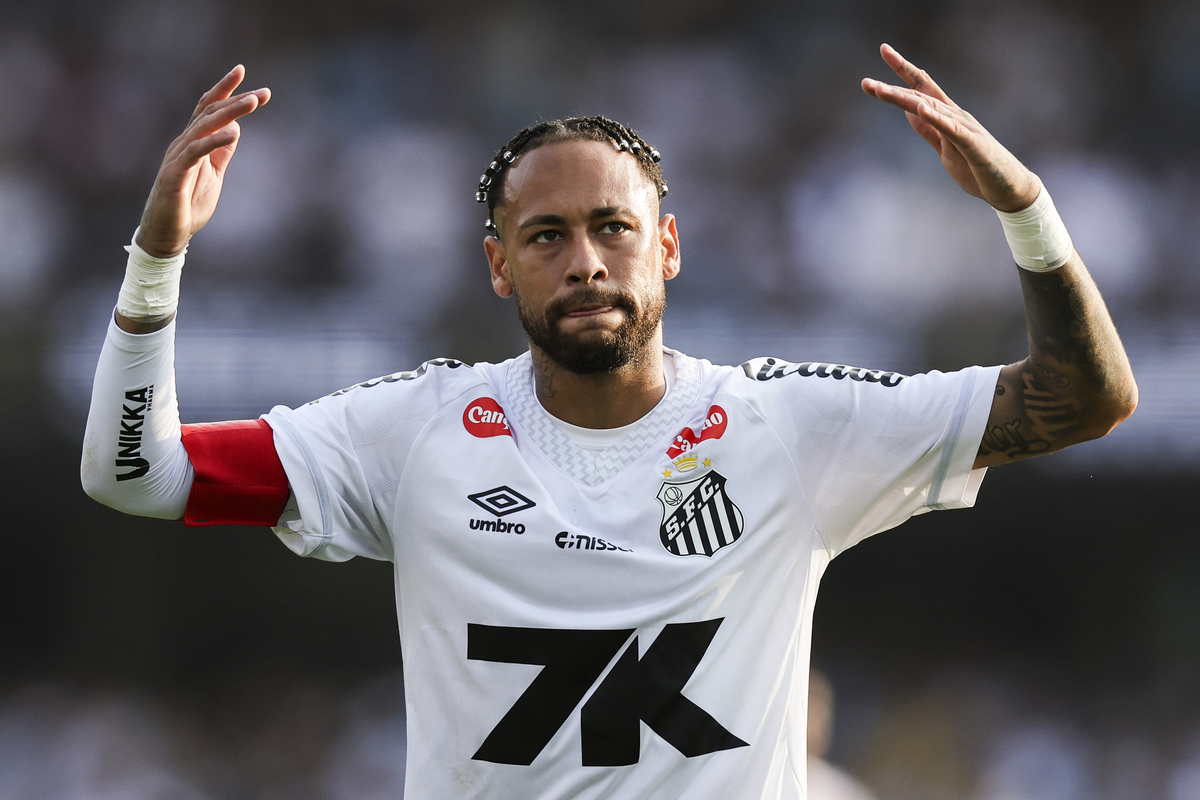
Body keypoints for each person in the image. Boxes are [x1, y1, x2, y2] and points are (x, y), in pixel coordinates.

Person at [81, 44, 1136, 800]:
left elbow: (1086, 399)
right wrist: (157, 258)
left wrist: (1026, 210)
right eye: (546, 236)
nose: (585, 260)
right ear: (499, 265)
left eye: (612, 228)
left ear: (666, 246)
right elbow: (139, 473)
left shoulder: (787, 425)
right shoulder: (412, 433)